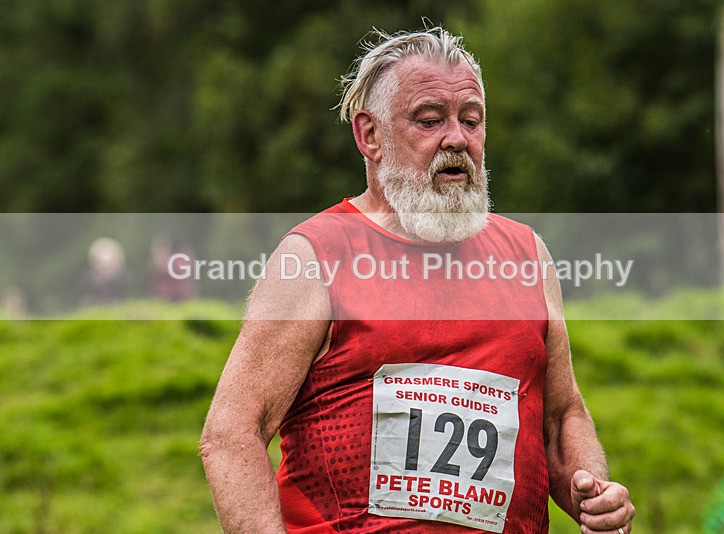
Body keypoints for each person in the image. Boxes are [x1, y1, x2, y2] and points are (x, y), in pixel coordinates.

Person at [201, 27, 635, 533]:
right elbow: (232, 433)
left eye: (471, 120)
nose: (457, 139)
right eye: (430, 121)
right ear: (370, 136)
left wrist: (595, 495)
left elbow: (561, 418)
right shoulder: (314, 257)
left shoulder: (527, 255)